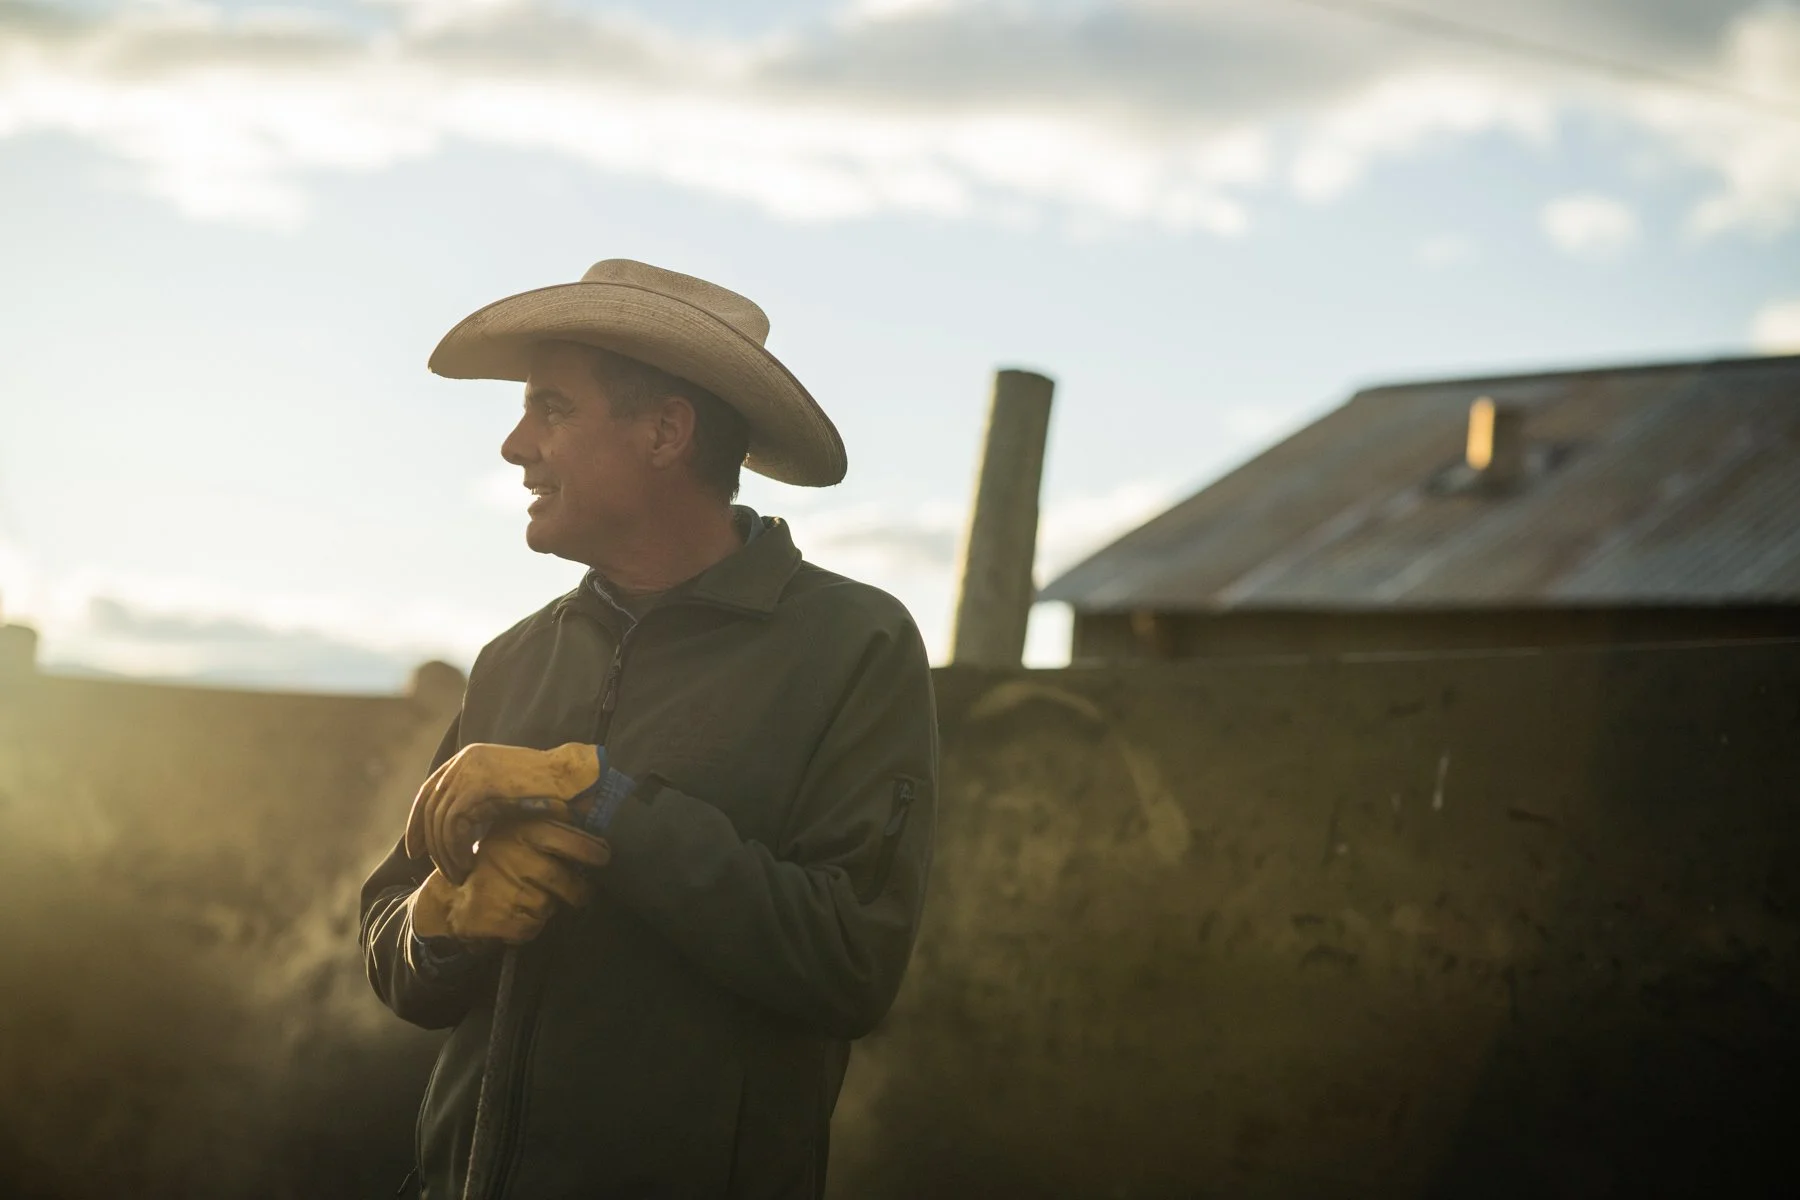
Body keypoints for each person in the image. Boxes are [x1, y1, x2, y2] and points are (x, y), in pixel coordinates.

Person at [359, 259, 938, 1200]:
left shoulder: (855, 646)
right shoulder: (515, 658)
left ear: (666, 432)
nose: (514, 445)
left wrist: (601, 797)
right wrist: (443, 918)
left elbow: (850, 966)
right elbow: (391, 942)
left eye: (551, 408)